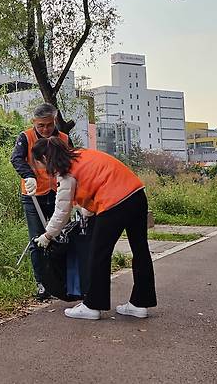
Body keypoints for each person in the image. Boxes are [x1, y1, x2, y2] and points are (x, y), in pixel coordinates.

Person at [31, 137, 157, 320]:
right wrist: (86, 211)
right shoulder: (81, 155)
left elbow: (62, 212)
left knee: (98, 254)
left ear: (45, 157)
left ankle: (92, 305)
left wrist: (48, 235)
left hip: (114, 203)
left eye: (39, 163)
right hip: (136, 194)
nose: (41, 168)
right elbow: (95, 183)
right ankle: (140, 303)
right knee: (140, 250)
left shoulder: (65, 173)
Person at [10, 103, 71, 301]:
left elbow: (71, 163)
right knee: (37, 239)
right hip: (33, 195)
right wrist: (28, 176)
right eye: (40, 125)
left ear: (54, 121)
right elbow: (17, 159)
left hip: (58, 193)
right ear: (34, 122)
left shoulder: (63, 139)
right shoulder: (25, 137)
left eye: (48, 125)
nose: (45, 129)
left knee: (60, 237)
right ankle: (42, 283)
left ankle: (63, 281)